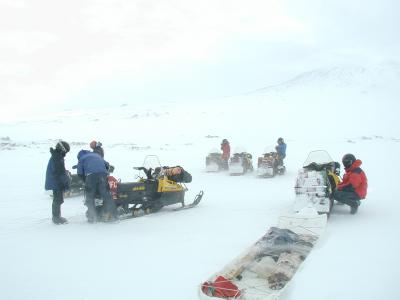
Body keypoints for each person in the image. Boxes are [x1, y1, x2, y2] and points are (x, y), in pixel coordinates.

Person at [76, 150, 117, 222]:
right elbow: (107, 165)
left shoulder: (82, 159)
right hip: (102, 175)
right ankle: (112, 214)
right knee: (106, 194)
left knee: (90, 196)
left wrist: (85, 181)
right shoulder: (97, 155)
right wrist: (105, 173)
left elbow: (79, 173)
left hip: (90, 176)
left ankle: (92, 216)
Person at [45, 141, 71, 224]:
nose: (66, 153)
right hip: (56, 182)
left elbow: (60, 171)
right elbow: (60, 172)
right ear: (62, 149)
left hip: (55, 180)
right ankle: (56, 218)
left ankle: (56, 216)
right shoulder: (57, 158)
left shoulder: (56, 156)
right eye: (66, 151)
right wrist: (65, 183)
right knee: (58, 200)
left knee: (58, 199)